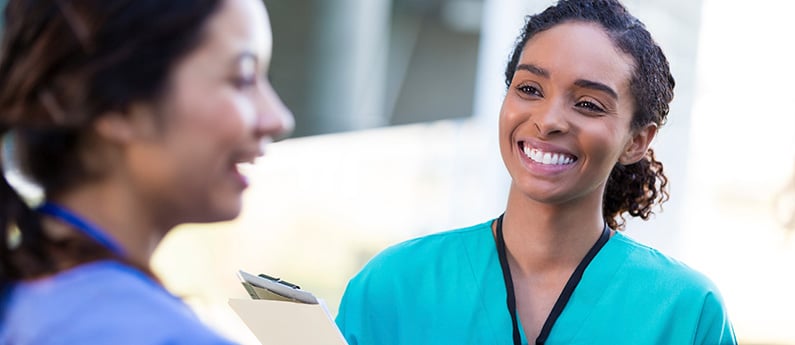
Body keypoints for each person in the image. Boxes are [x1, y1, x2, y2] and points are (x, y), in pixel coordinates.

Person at [335, 0, 736, 344]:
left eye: (588, 104)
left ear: (636, 142)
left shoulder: (687, 313)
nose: (548, 121)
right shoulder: (393, 285)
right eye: (529, 89)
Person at [0, 0, 293, 343]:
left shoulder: (28, 300)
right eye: (242, 79)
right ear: (120, 106)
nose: (278, 118)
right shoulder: (152, 333)